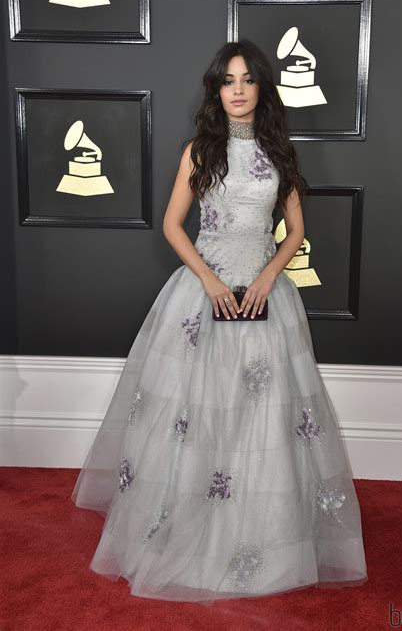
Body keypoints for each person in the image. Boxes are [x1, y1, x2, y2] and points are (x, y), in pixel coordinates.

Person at [71, 39, 368, 604]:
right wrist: (208, 278)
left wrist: (267, 277)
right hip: (199, 297)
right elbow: (173, 226)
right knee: (194, 411)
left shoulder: (280, 154)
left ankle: (259, 535)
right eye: (227, 80)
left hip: (263, 297)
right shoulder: (198, 151)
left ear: (262, 88)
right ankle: (184, 526)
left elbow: (298, 233)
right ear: (217, 89)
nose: (237, 89)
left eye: (247, 79)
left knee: (260, 415)